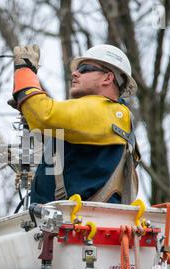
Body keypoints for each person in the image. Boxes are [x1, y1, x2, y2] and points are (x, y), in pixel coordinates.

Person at [11, 44, 141, 205]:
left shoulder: (105, 111)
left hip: (77, 222)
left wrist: (24, 70)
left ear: (108, 78)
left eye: (85, 69)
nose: (74, 73)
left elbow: (43, 115)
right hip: (71, 221)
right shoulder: (105, 117)